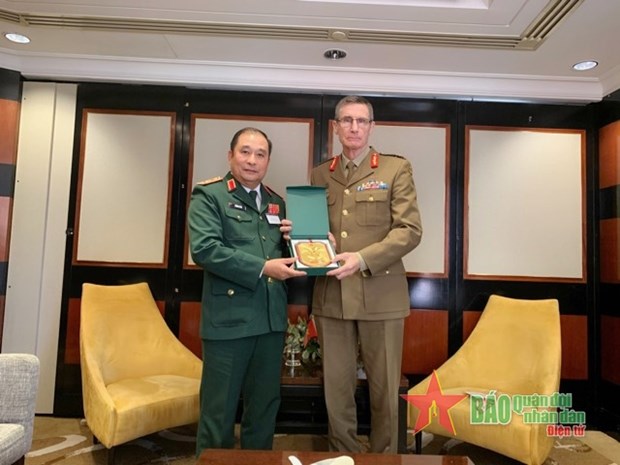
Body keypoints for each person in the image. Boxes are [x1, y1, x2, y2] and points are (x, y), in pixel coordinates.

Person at [310, 96, 423, 453]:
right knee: (337, 389)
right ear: (336, 127)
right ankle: (342, 456)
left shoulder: (394, 169)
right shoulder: (319, 173)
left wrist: (361, 258)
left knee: (384, 391)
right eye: (346, 120)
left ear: (371, 127)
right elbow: (315, 232)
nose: (354, 127)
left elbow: (409, 230)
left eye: (361, 121)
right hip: (332, 295)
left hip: (381, 295)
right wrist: (311, 239)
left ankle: (384, 459)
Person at [188, 127, 306, 457]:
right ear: (231, 155)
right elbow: (205, 249)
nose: (252, 160)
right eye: (245, 152)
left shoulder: (276, 203)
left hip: (270, 322)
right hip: (228, 324)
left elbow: (290, 257)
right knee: (218, 413)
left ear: (268, 160)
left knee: (264, 411)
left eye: (260, 154)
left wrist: (314, 241)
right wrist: (263, 268)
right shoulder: (209, 196)